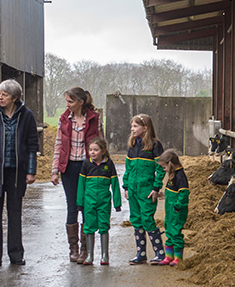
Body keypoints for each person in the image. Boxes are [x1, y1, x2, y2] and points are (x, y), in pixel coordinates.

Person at [0, 79, 39, 266]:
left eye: (5, 95)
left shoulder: (26, 116)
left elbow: (32, 146)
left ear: (15, 97)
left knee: (15, 213)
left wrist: (31, 171)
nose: (0, 98)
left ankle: (16, 254)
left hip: (16, 173)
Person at [50, 86, 100, 264]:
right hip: (69, 167)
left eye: (70, 101)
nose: (67, 105)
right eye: (66, 101)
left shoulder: (95, 119)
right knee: (72, 206)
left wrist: (101, 167)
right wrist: (55, 170)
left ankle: (86, 250)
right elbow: (58, 146)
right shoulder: (64, 119)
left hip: (88, 168)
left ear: (81, 102)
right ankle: (73, 249)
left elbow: (100, 144)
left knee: (87, 207)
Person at [123, 114, 165, 264]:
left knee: (147, 219)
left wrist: (156, 187)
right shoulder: (132, 145)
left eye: (135, 126)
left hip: (147, 190)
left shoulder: (155, 145)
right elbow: (128, 169)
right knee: (136, 219)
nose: (132, 129)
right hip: (133, 190)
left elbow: (160, 168)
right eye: (132, 126)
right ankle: (141, 254)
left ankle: (160, 253)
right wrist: (126, 187)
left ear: (145, 128)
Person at [76, 137, 121, 265]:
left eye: (96, 150)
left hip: (104, 201)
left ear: (103, 151)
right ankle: (89, 255)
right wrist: (80, 202)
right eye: (90, 150)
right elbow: (81, 185)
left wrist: (117, 203)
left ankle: (105, 255)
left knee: (103, 225)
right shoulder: (86, 164)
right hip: (89, 201)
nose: (93, 152)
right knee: (89, 226)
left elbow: (115, 184)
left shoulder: (109, 164)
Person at [156, 149, 189, 267]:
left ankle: (178, 257)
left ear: (170, 164)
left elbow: (184, 194)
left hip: (176, 210)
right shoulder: (172, 175)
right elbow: (174, 192)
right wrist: (165, 196)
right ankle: (168, 256)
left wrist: (177, 206)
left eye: (164, 167)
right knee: (169, 231)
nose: (163, 170)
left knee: (175, 232)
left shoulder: (180, 176)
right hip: (170, 210)